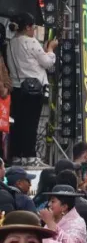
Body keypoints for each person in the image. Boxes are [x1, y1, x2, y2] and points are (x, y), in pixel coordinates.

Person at [5, 13, 55, 167]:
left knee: (18, 123)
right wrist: (50, 49)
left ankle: (17, 155)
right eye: (33, 27)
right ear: (27, 27)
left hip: (17, 88)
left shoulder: (10, 44)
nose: (33, 30)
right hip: (33, 89)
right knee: (31, 123)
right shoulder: (31, 42)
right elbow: (47, 63)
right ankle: (30, 155)